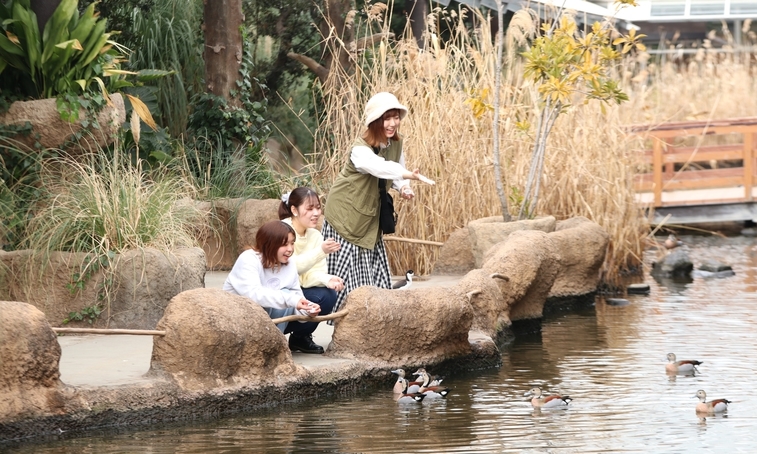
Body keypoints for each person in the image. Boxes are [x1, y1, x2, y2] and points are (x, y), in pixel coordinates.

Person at [322, 92, 435, 313]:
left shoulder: (395, 143)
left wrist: (404, 187)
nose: (393, 123)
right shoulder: (359, 149)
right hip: (345, 217)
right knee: (346, 278)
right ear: (375, 121)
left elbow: (393, 173)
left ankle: (371, 321)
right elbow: (378, 167)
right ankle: (345, 325)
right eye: (387, 118)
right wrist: (408, 175)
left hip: (369, 219)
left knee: (371, 273)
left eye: (396, 117)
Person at [222, 220, 325, 354]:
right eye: (284, 244)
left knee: (317, 296)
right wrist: (292, 300)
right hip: (240, 321)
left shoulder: (289, 263)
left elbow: (296, 295)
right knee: (285, 294)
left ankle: (274, 344)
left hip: (269, 320)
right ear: (269, 244)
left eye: (292, 243)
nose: (290, 249)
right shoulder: (248, 259)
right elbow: (254, 295)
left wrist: (307, 309)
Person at [278, 186, 343, 320]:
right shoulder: (281, 230)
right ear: (294, 210)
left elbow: (310, 274)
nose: (316, 213)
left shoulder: (315, 235)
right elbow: (290, 268)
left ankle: (300, 337)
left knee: (328, 295)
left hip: (299, 289)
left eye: (318, 208)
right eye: (309, 209)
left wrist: (327, 280)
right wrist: (321, 251)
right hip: (279, 290)